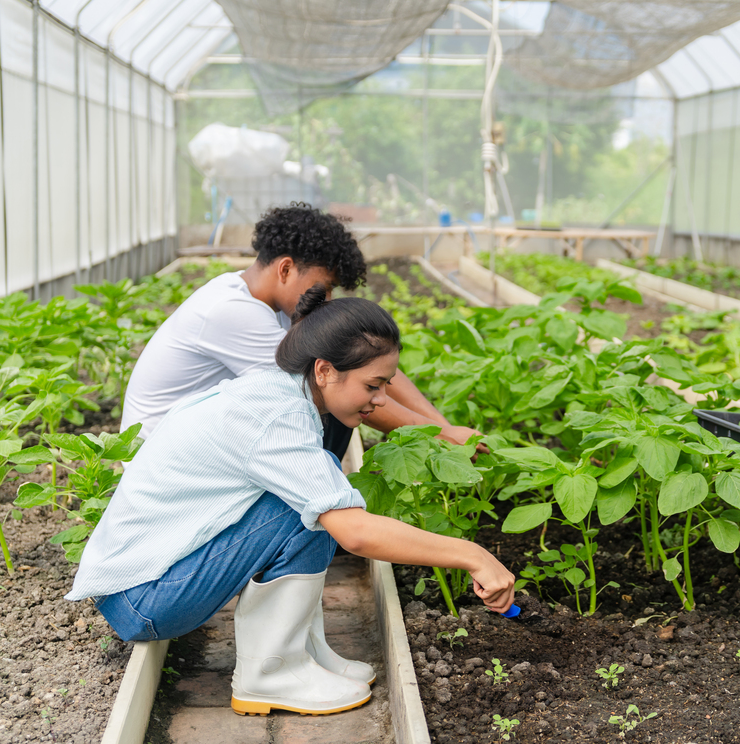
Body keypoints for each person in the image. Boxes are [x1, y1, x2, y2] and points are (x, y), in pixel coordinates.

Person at [69, 293, 515, 716]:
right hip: (144, 600)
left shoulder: (278, 389)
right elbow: (356, 533)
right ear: (324, 371)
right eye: (373, 385)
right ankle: (270, 674)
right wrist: (473, 555)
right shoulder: (277, 417)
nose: (381, 400)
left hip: (148, 582)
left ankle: (300, 650)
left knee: (317, 490)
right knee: (314, 509)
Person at [121, 203, 479, 456]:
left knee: (342, 384)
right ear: (286, 269)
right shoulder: (231, 312)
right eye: (324, 287)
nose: (327, 299)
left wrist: (441, 425)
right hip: (163, 457)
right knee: (336, 401)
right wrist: (443, 437)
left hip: (201, 440)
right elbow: (341, 388)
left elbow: (369, 361)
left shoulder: (270, 304)